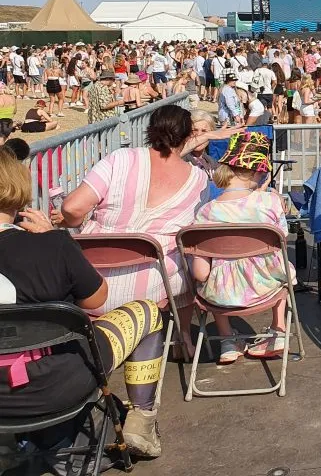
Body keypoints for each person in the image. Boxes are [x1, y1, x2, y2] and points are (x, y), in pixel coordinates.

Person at [0, 149, 167, 459]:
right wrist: (54, 239)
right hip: (53, 385)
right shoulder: (52, 244)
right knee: (148, 312)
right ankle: (140, 420)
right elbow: (96, 298)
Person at [55, 107, 209, 361]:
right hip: (150, 287)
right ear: (186, 136)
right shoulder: (198, 179)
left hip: (90, 285)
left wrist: (75, 222)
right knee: (183, 262)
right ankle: (184, 339)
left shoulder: (120, 159)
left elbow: (72, 207)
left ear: (151, 129)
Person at [191, 132, 293, 362]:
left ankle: (227, 340)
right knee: (281, 264)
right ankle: (278, 330)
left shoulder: (206, 212)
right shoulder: (269, 202)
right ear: (258, 172)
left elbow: (200, 272)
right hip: (267, 286)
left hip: (221, 294)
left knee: (213, 276)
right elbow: (282, 240)